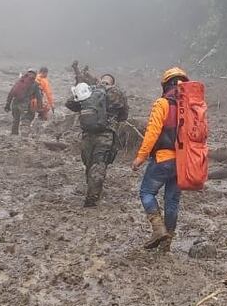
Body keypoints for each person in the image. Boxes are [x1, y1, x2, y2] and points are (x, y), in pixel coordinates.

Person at [132, 66, 188, 251]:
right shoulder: (192, 108)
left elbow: (152, 133)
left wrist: (140, 157)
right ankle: (167, 243)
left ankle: (158, 229)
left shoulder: (162, 103)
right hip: (183, 162)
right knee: (172, 202)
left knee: (146, 192)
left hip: (163, 159)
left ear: (165, 85)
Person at [65, 74, 128, 207]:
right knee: (99, 163)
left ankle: (92, 189)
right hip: (106, 134)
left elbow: (70, 103)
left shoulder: (90, 91)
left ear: (100, 80)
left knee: (89, 163)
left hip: (87, 133)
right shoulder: (116, 93)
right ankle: (92, 197)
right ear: (112, 83)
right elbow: (124, 115)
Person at [4, 69, 43, 136]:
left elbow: (11, 93)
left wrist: (7, 105)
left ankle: (14, 135)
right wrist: (40, 108)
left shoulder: (20, 81)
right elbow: (39, 97)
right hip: (25, 105)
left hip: (15, 103)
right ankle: (24, 137)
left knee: (15, 120)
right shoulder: (34, 84)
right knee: (26, 120)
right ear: (35, 75)